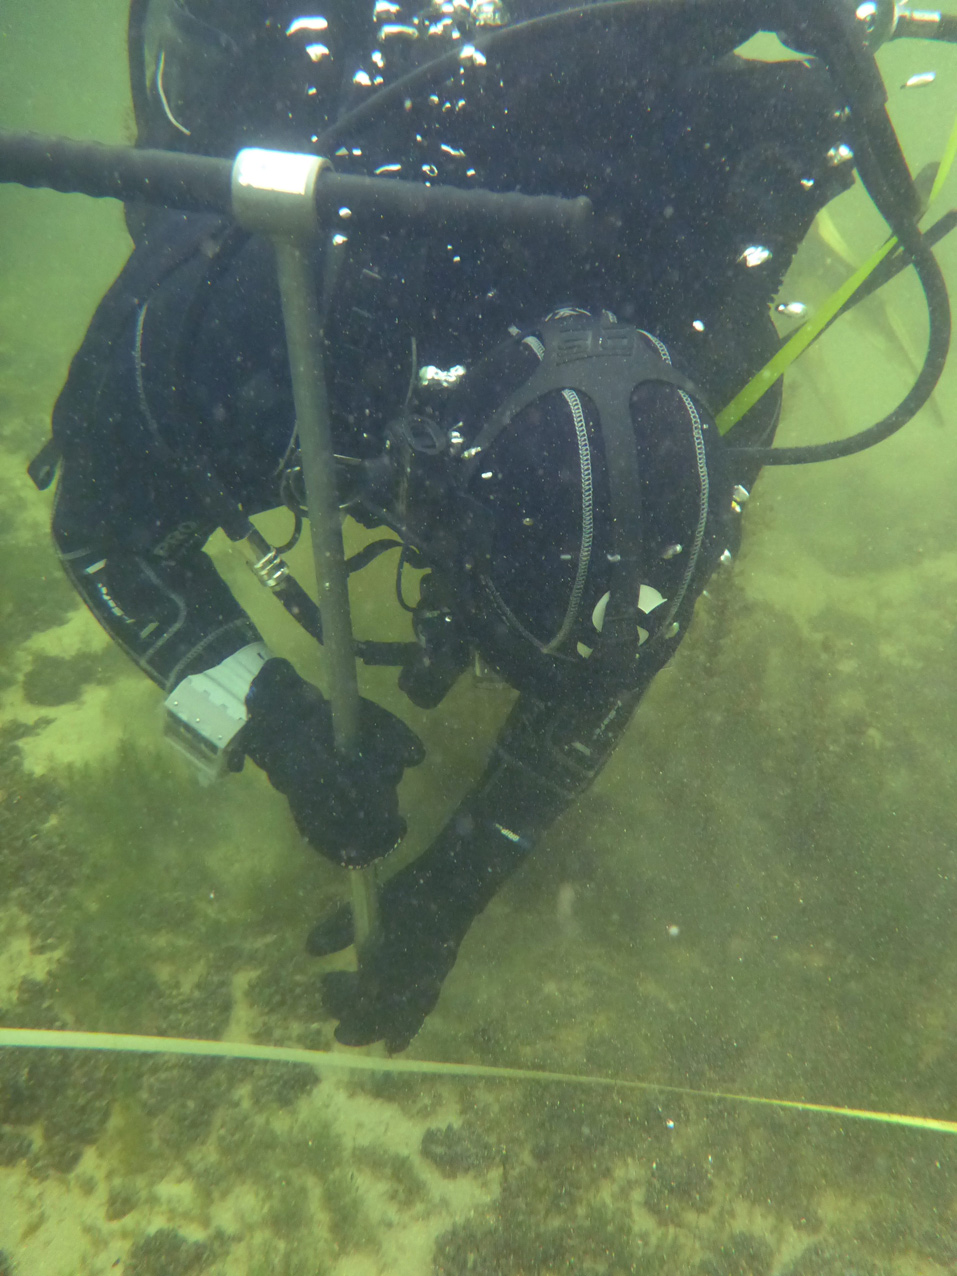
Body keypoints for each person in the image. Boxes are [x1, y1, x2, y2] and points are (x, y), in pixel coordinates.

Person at [41, 0, 862, 1050]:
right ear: (438, 493)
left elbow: (618, 656)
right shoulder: (265, 317)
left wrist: (449, 890)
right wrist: (275, 721)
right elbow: (101, 530)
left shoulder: (712, 381)